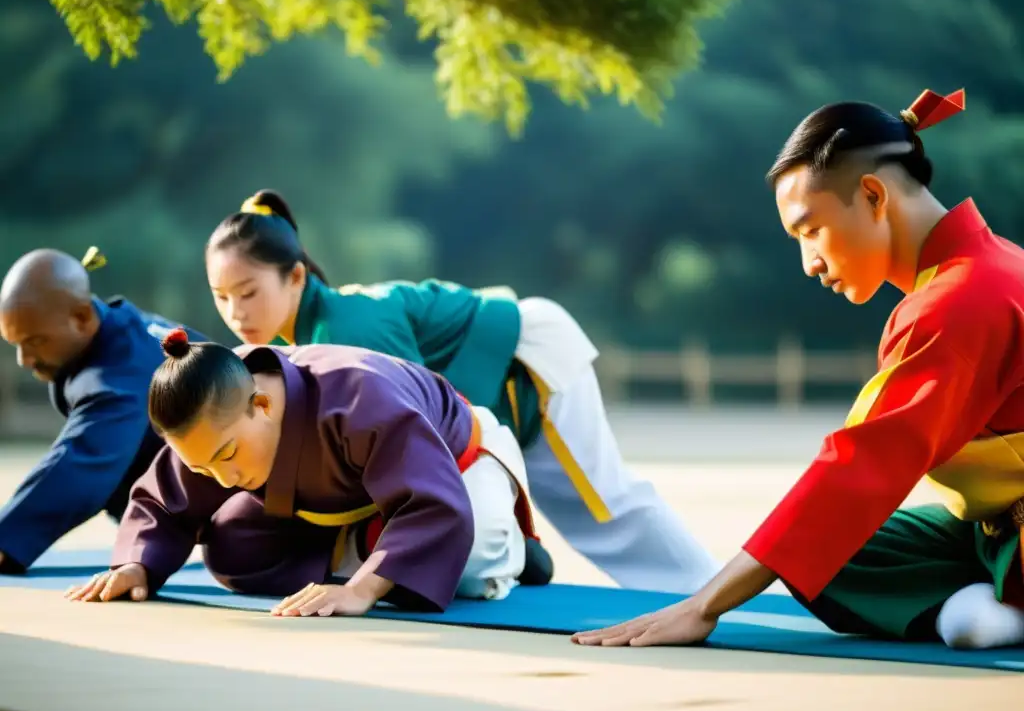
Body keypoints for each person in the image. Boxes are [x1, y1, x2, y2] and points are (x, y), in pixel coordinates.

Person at [572, 87, 1024, 652]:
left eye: (811, 230)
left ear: (873, 195)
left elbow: (860, 467)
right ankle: (984, 605)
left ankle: (991, 616)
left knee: (813, 536)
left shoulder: (961, 300)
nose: (810, 262)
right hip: (997, 532)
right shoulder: (980, 271)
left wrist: (704, 605)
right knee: (810, 552)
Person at [198, 190, 720, 595]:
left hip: (527, 362)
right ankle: (526, 551)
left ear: (294, 277)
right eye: (221, 298)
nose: (236, 313)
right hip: (489, 391)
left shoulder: (348, 328)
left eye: (248, 292)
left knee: (604, 510)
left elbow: (414, 431)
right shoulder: (306, 342)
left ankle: (709, 595)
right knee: (591, 512)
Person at [67, 330, 543, 615]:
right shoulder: (214, 415)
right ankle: (374, 546)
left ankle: (516, 551)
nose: (225, 477)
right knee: (231, 545)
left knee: (475, 558)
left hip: (455, 464)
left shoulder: (359, 395)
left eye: (228, 455)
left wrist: (361, 590)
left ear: (263, 404)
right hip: (340, 503)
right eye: (204, 467)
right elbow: (165, 497)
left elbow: (431, 499)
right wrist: (136, 564)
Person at [0, 247, 206, 574]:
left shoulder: (121, 373)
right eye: (16, 345)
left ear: (81, 318)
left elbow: (81, 462)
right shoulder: (119, 328)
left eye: (35, 341)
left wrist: (5, 539)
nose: (23, 360)